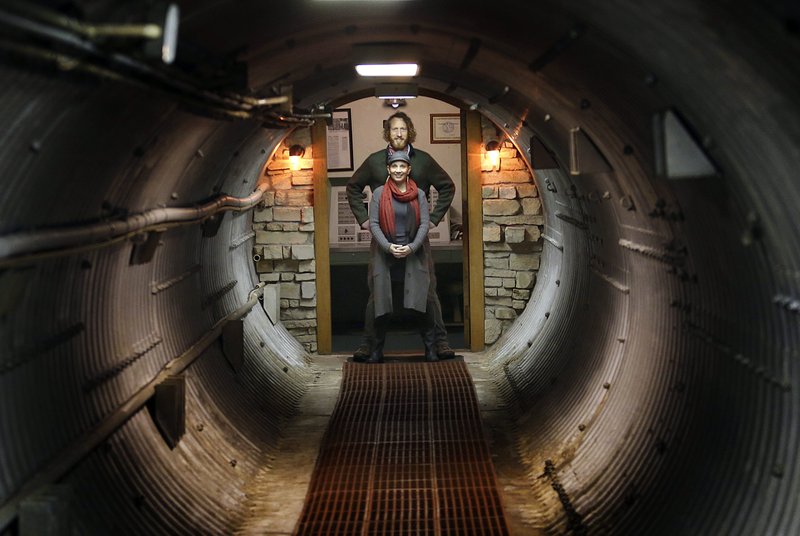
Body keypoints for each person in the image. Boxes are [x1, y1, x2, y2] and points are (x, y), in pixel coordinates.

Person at [347, 111, 456, 361]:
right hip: (382, 238)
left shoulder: (424, 161)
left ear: (410, 132)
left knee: (427, 291)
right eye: (394, 129)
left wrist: (434, 219)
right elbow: (353, 187)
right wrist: (364, 219)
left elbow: (447, 186)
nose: (398, 134)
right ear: (388, 132)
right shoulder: (375, 161)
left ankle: (438, 343)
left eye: (403, 129)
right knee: (378, 292)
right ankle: (369, 345)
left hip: (417, 238)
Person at [366, 151, 435, 362]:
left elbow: (424, 223)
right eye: (394, 166)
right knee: (382, 304)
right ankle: (376, 350)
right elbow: (374, 223)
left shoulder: (419, 194)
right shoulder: (378, 194)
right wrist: (388, 247)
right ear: (388, 169)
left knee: (423, 301)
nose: (398, 170)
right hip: (386, 255)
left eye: (402, 167)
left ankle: (430, 348)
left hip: (413, 254)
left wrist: (412, 247)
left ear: (408, 169)